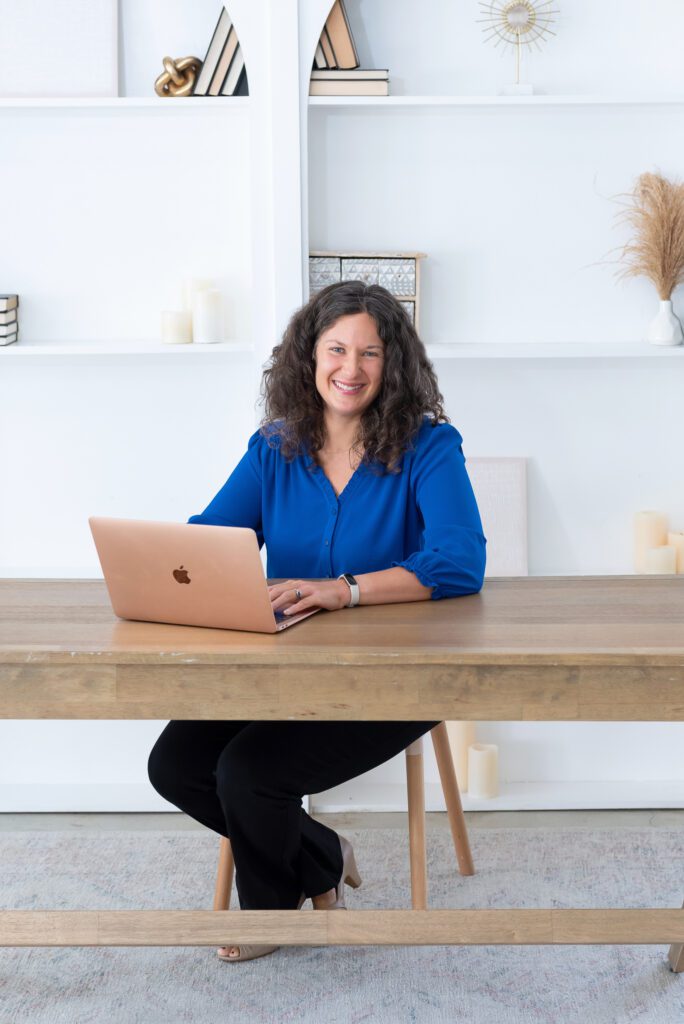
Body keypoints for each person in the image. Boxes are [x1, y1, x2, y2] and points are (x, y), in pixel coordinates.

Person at [147, 280, 487, 963]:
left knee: (246, 773)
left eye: (369, 352)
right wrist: (198, 568)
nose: (350, 368)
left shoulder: (429, 446)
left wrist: (347, 590)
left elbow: (459, 561)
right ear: (309, 357)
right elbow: (213, 538)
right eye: (336, 349)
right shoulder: (275, 447)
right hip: (282, 665)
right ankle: (323, 856)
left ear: (394, 365)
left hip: (399, 676)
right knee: (175, 766)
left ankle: (273, 912)